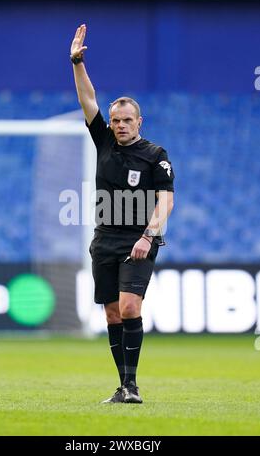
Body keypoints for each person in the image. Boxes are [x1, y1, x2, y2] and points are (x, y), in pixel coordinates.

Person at [70, 24, 174, 404]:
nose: (120, 125)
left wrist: (149, 234)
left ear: (139, 122)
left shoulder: (155, 155)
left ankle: (132, 386)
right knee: (113, 315)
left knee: (131, 306)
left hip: (138, 240)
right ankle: (125, 385)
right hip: (104, 240)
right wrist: (77, 62)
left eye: (127, 120)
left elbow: (166, 199)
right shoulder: (103, 141)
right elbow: (88, 97)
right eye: (116, 120)